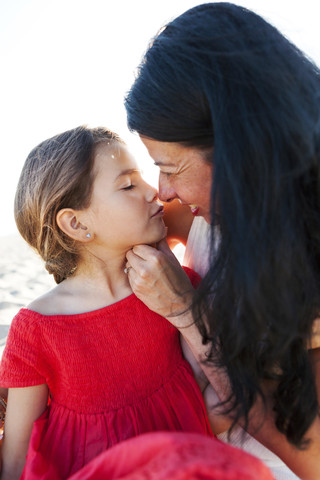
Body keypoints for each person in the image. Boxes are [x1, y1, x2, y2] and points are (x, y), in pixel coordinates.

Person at [124, 3, 320, 479]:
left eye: (171, 168)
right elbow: (108, 242)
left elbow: (313, 456)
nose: (161, 190)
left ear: (239, 149)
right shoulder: (202, 210)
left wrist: (188, 314)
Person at [0, 126, 214, 480]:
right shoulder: (38, 328)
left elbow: (207, 380)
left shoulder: (175, 288)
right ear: (76, 222)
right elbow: (15, 461)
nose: (154, 191)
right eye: (128, 185)